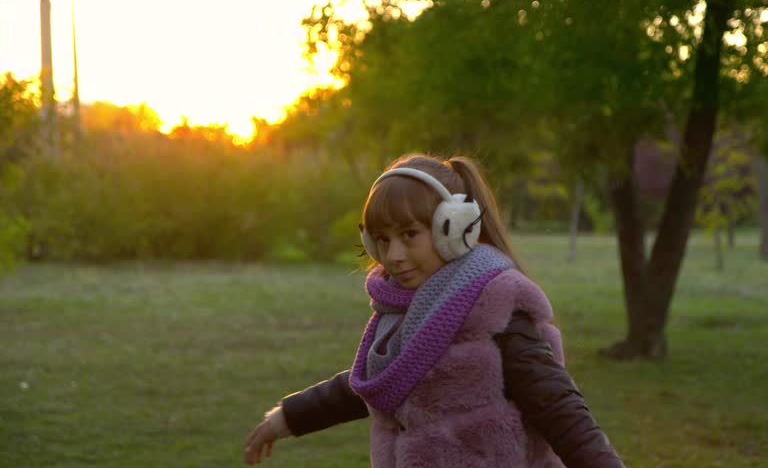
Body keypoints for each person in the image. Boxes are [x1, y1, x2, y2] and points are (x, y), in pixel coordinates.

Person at [244, 154, 624, 467]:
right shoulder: (401, 310)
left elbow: (558, 407)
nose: (393, 256)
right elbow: (377, 381)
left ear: (453, 230)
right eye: (382, 240)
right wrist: (289, 417)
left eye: (410, 235)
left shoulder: (496, 309)